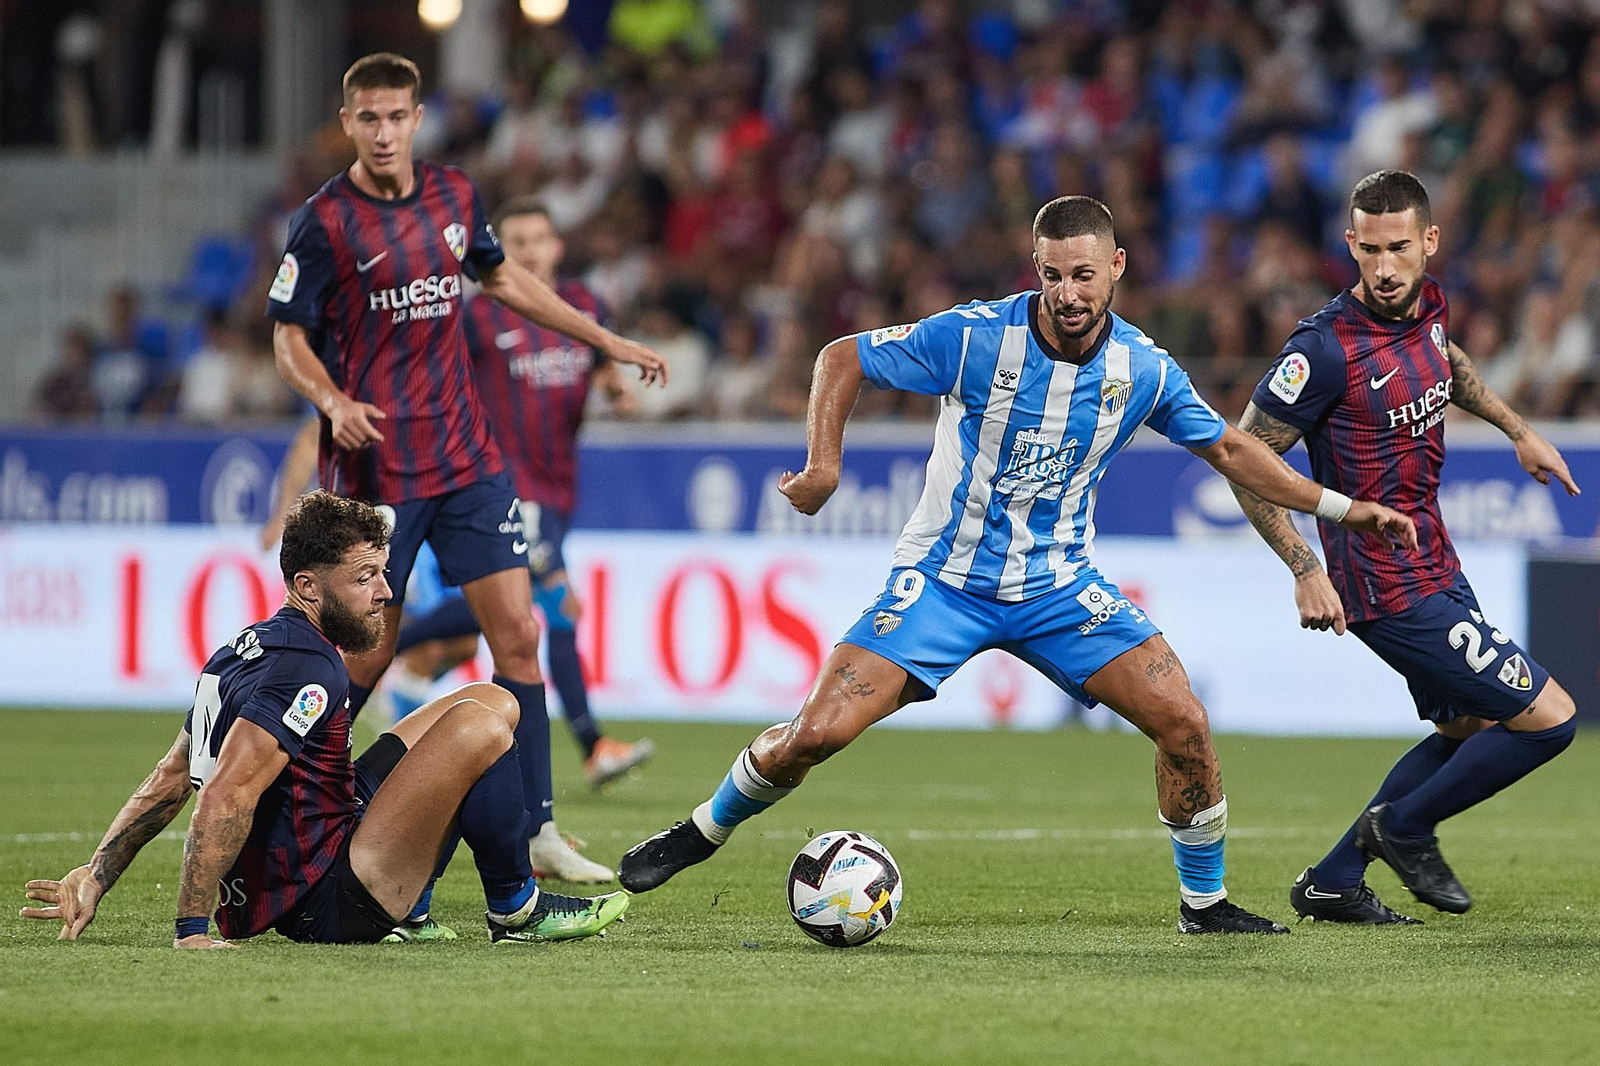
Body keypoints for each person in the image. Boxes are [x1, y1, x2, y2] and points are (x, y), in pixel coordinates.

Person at [619, 195, 1419, 935]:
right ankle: (701, 830)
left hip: (1060, 589)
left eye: (1082, 274)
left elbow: (1235, 450)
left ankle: (1202, 904)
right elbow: (840, 356)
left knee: (1185, 723)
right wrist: (824, 464)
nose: (1068, 293)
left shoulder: (1141, 370)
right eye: (1051, 275)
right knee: (812, 736)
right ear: (1034, 270)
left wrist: (1339, 511)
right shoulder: (974, 338)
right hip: (944, 583)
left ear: (1116, 268)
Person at [264, 54, 666, 886]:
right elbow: (288, 335)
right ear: (348, 123)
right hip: (379, 469)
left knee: (521, 634)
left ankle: (538, 830)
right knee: (365, 658)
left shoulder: (452, 197)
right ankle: (299, 817)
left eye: (396, 117)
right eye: (367, 118)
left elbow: (503, 278)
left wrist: (604, 340)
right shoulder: (324, 221)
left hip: (468, 460)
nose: (383, 133)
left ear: (417, 119)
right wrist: (331, 400)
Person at [19, 491, 628, 946]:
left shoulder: (241, 649)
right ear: (309, 587)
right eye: (365, 578)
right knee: (483, 727)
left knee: (496, 700)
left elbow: (172, 775)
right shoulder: (311, 672)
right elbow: (225, 791)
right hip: (327, 900)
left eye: (382, 573)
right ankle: (516, 912)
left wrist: (97, 874)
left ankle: (414, 913)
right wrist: (190, 927)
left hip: (321, 842)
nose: (385, 593)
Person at [1232, 170, 1581, 924]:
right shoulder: (1323, 350)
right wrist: (1304, 566)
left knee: (1466, 729)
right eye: (1369, 251)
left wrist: (1520, 431)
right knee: (1550, 719)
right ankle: (1405, 826)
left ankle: (1332, 880)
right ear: (1350, 245)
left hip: (1436, 558)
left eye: (1398, 249)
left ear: (1428, 242)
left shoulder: (1428, 306)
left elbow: (1446, 364)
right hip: (1382, 580)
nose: (1385, 269)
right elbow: (1244, 458)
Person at [384, 198, 653, 793]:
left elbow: (600, 363)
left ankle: (387, 650)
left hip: (558, 487)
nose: (531, 250)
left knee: (506, 616)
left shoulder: (584, 307)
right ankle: (593, 745)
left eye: (540, 238)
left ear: (558, 246)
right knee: (556, 605)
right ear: (499, 253)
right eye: (517, 241)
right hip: (506, 485)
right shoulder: (479, 318)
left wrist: (615, 389)